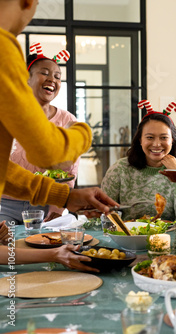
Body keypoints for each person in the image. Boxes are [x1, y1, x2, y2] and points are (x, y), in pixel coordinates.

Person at [0, 0, 118, 270]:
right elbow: (46, 151)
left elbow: (5, 172)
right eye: (43, 72)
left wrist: (63, 197)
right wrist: (83, 132)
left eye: (57, 75)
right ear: (28, 3)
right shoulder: (4, 48)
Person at [0, 45, 80, 224]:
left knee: (43, 248)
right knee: (9, 250)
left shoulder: (67, 120)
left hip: (46, 205)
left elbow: (69, 171)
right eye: (44, 73)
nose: (52, 79)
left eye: (57, 77)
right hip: (4, 204)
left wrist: (57, 208)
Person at [101, 100, 176, 222]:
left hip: (170, 237)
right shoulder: (119, 169)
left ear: (172, 140)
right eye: (150, 137)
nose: (156, 144)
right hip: (129, 237)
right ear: (140, 140)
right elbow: (104, 215)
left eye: (164, 138)